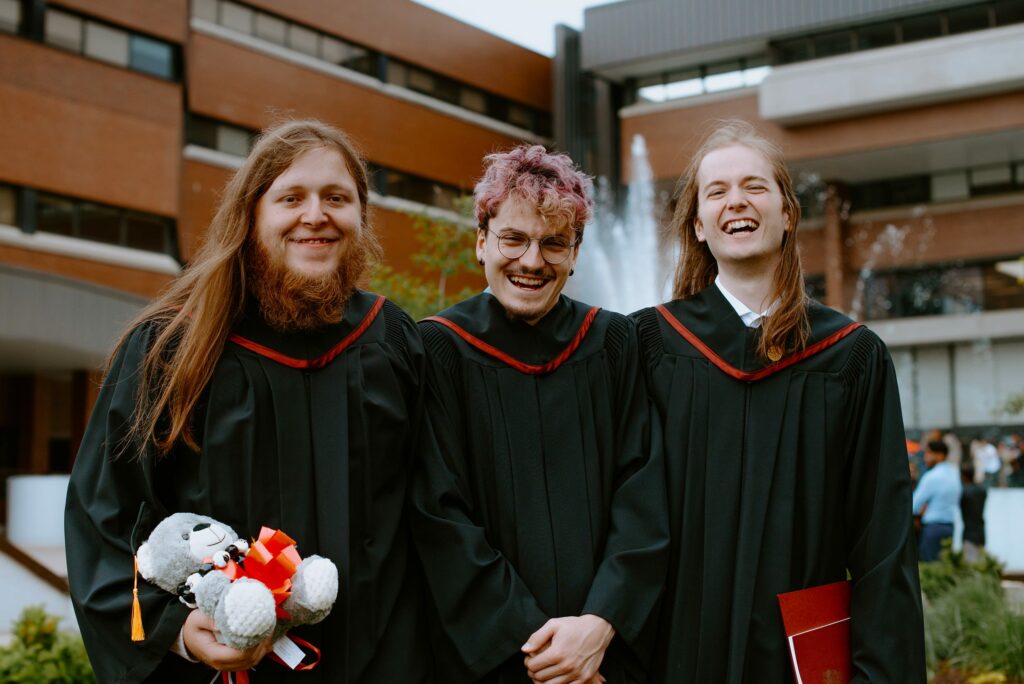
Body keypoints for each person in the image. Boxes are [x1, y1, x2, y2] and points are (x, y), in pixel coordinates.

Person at [65, 120, 429, 683]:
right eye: (291, 198)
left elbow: (438, 510)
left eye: (337, 198)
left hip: (383, 665)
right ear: (252, 214)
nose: (316, 215)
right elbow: (104, 520)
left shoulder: (392, 342)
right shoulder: (175, 345)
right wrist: (177, 632)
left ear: (360, 217)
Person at [630, 120, 925, 683]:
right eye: (716, 191)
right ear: (697, 225)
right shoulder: (648, 346)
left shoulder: (850, 357)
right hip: (674, 651)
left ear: (788, 213)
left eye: (754, 186)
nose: (736, 201)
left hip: (802, 658)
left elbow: (882, 542)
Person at [411, 145, 668, 683]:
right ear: (482, 242)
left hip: (604, 656)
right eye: (514, 239)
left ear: (576, 255)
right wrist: (539, 650)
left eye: (554, 243)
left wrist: (600, 622)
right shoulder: (437, 350)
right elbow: (439, 515)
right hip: (494, 662)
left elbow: (643, 491)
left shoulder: (614, 343)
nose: (532, 261)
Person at [911, 440, 961, 561]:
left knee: (930, 567)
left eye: (928, 453)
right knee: (943, 568)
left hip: (932, 529)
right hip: (949, 527)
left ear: (940, 455)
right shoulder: (954, 473)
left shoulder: (932, 476)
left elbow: (913, 505)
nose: (925, 457)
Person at [960, 463, 987, 563]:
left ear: (963, 476)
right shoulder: (981, 490)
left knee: (970, 564)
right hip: (981, 532)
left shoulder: (964, 492)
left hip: (969, 532)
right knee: (980, 563)